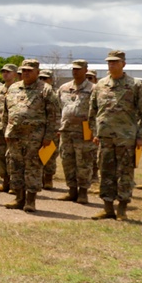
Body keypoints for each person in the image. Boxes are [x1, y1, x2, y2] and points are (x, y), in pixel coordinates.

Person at [88, 50, 142, 221]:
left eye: (115, 62)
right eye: (109, 62)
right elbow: (93, 111)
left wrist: (141, 136)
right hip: (105, 138)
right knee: (106, 172)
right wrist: (95, 133)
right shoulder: (100, 85)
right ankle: (107, 208)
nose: (111, 65)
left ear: (123, 64)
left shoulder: (135, 85)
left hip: (126, 138)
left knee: (125, 173)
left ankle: (122, 208)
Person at [3, 60, 60, 213]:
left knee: (33, 168)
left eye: (30, 70)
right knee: (15, 167)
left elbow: (54, 115)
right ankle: (18, 198)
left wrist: (49, 136)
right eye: (24, 70)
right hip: (15, 136)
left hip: (35, 138)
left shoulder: (45, 90)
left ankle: (31, 200)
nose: (26, 73)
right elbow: (6, 112)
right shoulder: (14, 88)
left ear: (37, 71)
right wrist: (6, 130)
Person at [56, 60, 96, 204]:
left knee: (84, 162)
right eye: (73, 69)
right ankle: (72, 190)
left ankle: (83, 192)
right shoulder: (64, 88)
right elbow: (58, 107)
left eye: (79, 69)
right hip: (66, 130)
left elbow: (97, 110)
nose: (75, 71)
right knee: (67, 161)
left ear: (86, 70)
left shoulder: (93, 89)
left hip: (84, 131)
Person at [0, 63, 18, 193]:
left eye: (8, 72)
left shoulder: (18, 89)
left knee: (12, 156)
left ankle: (14, 183)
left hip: (12, 128)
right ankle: (5, 181)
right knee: (0, 154)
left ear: (15, 74)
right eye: (3, 72)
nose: (5, 74)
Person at [38, 70, 61, 189]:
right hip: (40, 128)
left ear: (51, 80)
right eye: (41, 78)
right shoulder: (38, 93)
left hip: (53, 128)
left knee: (50, 155)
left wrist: (57, 129)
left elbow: (58, 113)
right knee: (39, 154)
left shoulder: (55, 94)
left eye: (45, 78)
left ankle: (48, 178)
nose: (43, 81)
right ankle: (40, 177)